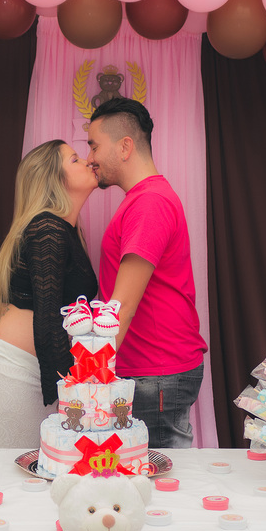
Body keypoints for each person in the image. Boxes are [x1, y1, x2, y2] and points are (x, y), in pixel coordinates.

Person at [85, 98, 207, 449]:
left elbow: (121, 307)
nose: (91, 157)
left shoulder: (149, 202)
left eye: (94, 145)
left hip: (155, 373)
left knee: (161, 486)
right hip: (156, 372)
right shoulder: (146, 198)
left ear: (125, 146)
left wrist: (91, 377)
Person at [0, 139, 98, 448]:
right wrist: (71, 392)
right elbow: (48, 317)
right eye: (75, 159)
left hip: (36, 373)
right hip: (12, 375)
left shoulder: (66, 231)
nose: (88, 162)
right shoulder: (48, 229)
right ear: (55, 179)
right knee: (10, 483)